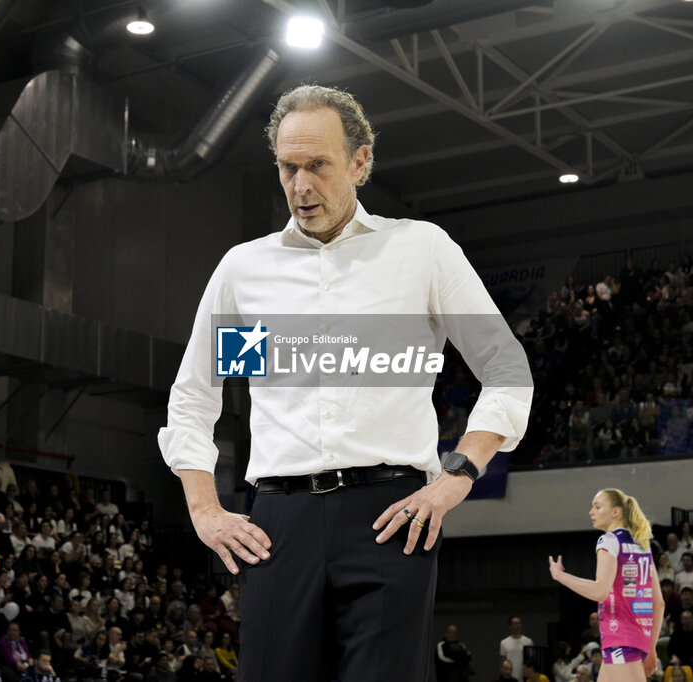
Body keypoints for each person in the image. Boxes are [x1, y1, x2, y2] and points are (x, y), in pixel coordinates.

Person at [157, 84, 532, 682]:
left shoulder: (420, 251)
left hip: (390, 517)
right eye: (288, 167)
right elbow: (196, 396)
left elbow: (507, 372)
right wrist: (203, 508)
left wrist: (455, 477)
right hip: (278, 522)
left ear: (360, 161)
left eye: (318, 165)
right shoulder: (246, 270)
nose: (301, 185)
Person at [548, 489, 664, 682]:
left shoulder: (609, 540)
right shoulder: (642, 545)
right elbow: (659, 603)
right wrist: (651, 648)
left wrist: (560, 576)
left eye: (597, 506)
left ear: (615, 512)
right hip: (634, 642)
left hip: (621, 640)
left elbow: (600, 591)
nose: (591, 512)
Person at [500, 617, 533, 682]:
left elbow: (531, 660)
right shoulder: (504, 642)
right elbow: (503, 661)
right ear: (510, 626)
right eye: (515, 624)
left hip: (524, 676)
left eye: (519, 623)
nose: (518, 626)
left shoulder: (528, 641)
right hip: (509, 676)